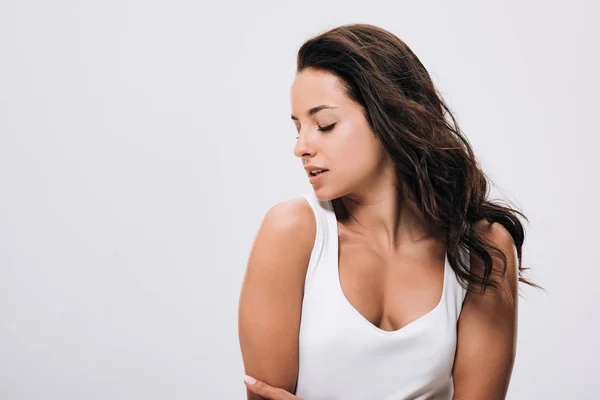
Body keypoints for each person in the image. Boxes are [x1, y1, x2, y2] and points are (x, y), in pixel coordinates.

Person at [238, 23, 543, 400]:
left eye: (324, 124)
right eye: (298, 128)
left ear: (389, 118)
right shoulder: (292, 233)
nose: (301, 146)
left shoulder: (482, 250)